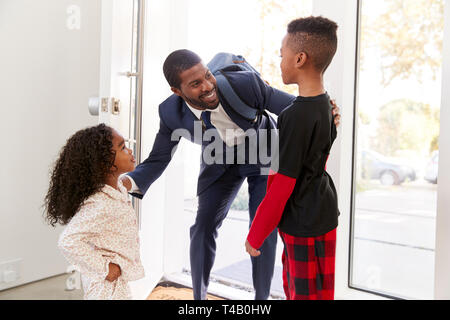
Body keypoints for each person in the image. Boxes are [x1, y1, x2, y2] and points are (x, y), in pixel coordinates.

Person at [121, 49, 341, 300]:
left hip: (261, 151)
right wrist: (128, 181)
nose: (207, 86)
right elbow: (158, 158)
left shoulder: (243, 84)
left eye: (207, 76)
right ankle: (199, 300)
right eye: (195, 84)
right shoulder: (171, 113)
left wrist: (324, 112)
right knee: (202, 226)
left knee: (263, 229)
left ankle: (261, 300)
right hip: (219, 162)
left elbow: (293, 109)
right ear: (177, 92)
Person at [245, 16, 340, 300]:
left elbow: (282, 184)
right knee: (322, 292)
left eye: (281, 55)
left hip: (302, 222)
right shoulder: (326, 103)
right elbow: (318, 159)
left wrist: (256, 233)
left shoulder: (294, 115)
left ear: (300, 58)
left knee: (300, 293)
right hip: (325, 212)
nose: (280, 61)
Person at [44, 124, 144, 300]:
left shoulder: (116, 188)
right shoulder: (100, 203)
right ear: (106, 163)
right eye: (122, 147)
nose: (129, 151)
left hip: (118, 283)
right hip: (106, 288)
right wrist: (105, 268)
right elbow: (68, 241)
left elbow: (128, 183)